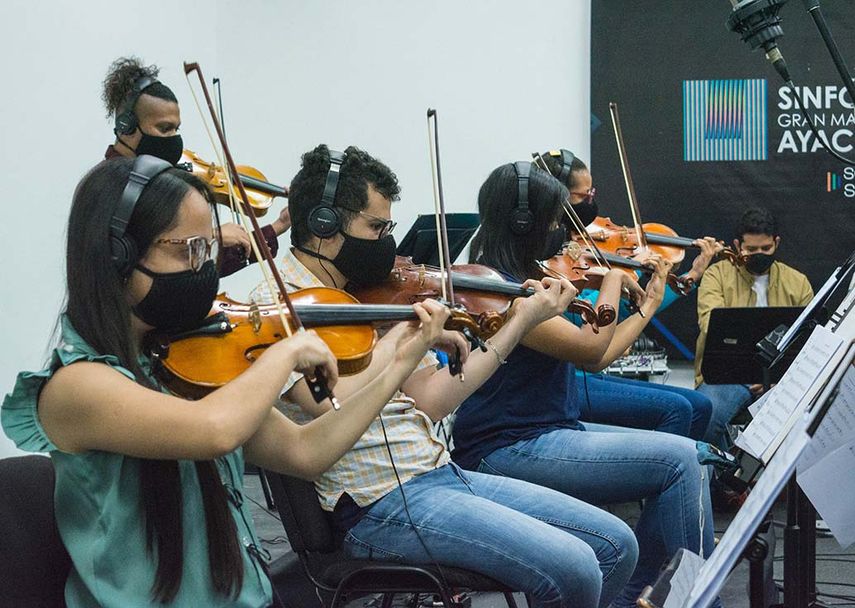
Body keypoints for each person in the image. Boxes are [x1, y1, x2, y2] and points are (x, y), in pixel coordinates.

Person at [1, 156, 459, 607]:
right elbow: (215, 431)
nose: (205, 269)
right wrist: (286, 351)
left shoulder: (183, 362)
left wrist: (401, 359)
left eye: (209, 249)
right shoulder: (76, 387)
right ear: (118, 255)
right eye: (190, 250)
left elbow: (305, 451)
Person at [252, 145, 639, 608]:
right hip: (376, 505)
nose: (385, 245)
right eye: (375, 228)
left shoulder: (371, 296)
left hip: (438, 472)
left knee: (616, 543)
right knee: (574, 567)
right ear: (323, 225)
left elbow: (433, 400)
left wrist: (518, 323)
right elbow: (329, 402)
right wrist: (402, 343)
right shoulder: (274, 310)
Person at [454, 161, 719, 608]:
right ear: (524, 223)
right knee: (680, 460)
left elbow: (602, 353)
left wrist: (645, 305)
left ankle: (642, 596)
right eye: (556, 221)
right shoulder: (496, 290)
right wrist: (616, 281)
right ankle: (695, 600)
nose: (563, 231)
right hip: (507, 448)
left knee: (692, 457)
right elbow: (591, 351)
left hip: (552, 429)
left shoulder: (529, 274)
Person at [534, 149, 718, 440]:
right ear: (557, 196)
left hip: (584, 372)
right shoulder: (542, 256)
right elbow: (592, 324)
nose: (591, 203)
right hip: (570, 378)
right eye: (584, 196)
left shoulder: (579, 246)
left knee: (699, 405)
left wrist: (686, 277)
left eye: (591, 193)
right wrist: (618, 281)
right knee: (682, 408)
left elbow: (630, 309)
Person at [101, 56, 290, 277]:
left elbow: (199, 269)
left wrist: (279, 225)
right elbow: (153, 266)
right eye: (164, 129)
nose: (174, 140)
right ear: (126, 126)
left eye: (176, 129)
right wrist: (210, 236)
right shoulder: (109, 189)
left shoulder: (159, 182)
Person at [696, 206, 814, 446]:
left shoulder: (797, 282)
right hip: (728, 376)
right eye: (751, 249)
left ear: (776, 243)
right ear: (738, 245)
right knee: (707, 414)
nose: (759, 254)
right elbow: (710, 325)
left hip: (783, 378)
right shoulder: (716, 275)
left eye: (766, 248)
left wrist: (777, 378)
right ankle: (717, 481)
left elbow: (810, 339)